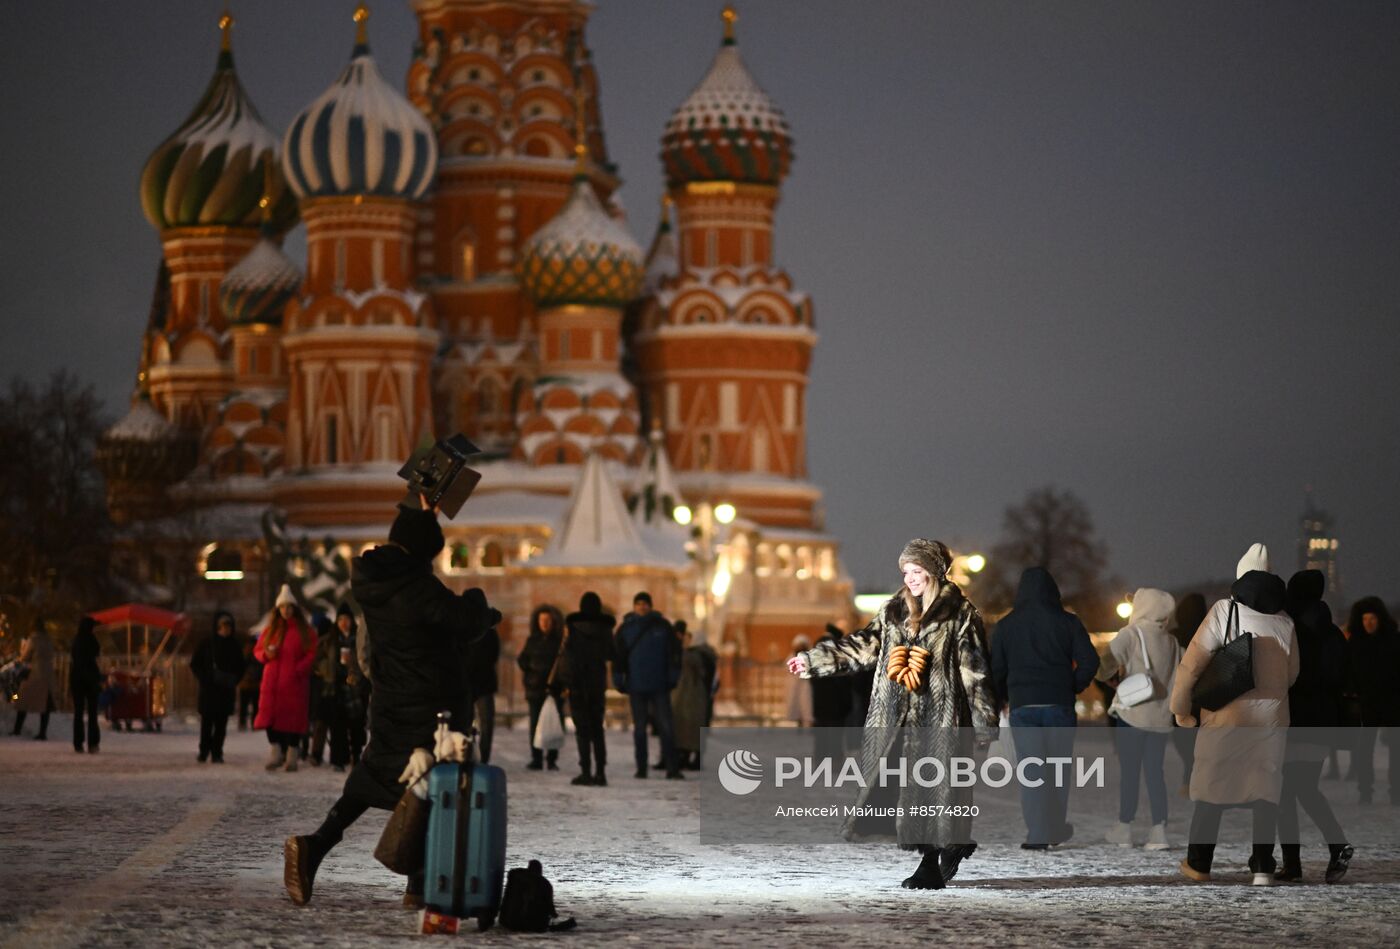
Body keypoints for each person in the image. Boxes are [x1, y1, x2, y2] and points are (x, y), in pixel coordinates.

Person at [283, 496, 499, 906]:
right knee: (435, 785)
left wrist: (425, 515)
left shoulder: (376, 582)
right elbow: (464, 621)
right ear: (423, 554)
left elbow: (429, 619)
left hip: (390, 702)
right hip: (430, 706)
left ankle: (317, 845)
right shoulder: (417, 589)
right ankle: (418, 884)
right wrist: (478, 603)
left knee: (374, 778)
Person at [790, 539, 999, 890]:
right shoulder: (893, 611)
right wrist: (812, 660)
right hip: (894, 717)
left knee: (936, 785)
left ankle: (930, 861)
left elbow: (974, 670)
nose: (912, 579)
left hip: (939, 718)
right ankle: (950, 844)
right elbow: (861, 646)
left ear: (934, 572)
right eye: (906, 572)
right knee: (897, 784)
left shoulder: (960, 615)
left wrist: (983, 723)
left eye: (917, 572)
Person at [1171, 543, 1299, 885]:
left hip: (1228, 715)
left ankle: (1199, 862)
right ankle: (1262, 866)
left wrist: (1181, 710)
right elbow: (1292, 673)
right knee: (1265, 790)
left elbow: (1191, 666)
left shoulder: (1223, 611)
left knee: (1213, 785)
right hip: (1271, 720)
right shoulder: (1285, 620)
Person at [989, 567, 1099, 850]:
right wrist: (1071, 686)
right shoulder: (1068, 623)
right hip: (1059, 705)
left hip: (1023, 707)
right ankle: (1054, 828)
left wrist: (1002, 699)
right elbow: (1090, 662)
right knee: (1058, 771)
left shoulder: (1006, 626)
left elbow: (996, 670)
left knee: (1032, 772)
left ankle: (1037, 833)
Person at [1272, 570, 1352, 883]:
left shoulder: (1289, 627)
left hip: (1294, 718)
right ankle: (1335, 845)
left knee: (1285, 793)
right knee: (1305, 788)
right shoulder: (1332, 632)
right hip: (1322, 722)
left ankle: (1294, 863)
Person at [1097, 588, 1180, 850]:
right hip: (1159, 719)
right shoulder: (1172, 642)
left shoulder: (1130, 634)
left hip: (1131, 715)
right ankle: (1159, 830)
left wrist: (1111, 679)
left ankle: (1124, 827)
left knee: (1130, 773)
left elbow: (1104, 666)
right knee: (1156, 773)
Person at [614, 592, 683, 780]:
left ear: (650, 606)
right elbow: (618, 657)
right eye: (639, 604)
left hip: (660, 684)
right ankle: (641, 768)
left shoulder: (663, 626)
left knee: (666, 727)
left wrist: (672, 677)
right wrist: (618, 678)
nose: (642, 607)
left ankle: (672, 767)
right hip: (637, 685)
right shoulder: (626, 628)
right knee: (640, 729)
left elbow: (674, 654)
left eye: (645, 603)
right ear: (634, 606)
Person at [254, 585, 317, 772]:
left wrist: (299, 669)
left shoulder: (304, 631)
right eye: (282, 607)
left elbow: (312, 653)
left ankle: (292, 755)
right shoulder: (271, 630)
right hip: (272, 683)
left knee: (293, 719)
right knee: (270, 719)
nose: (285, 611)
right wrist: (266, 654)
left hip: (294, 683)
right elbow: (258, 650)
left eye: (289, 607)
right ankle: (276, 752)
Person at [1347, 596, 1400, 805]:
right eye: (1365, 619)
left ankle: (1393, 789)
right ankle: (1366, 789)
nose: (1369, 623)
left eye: (1372, 619)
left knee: (1392, 748)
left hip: (1388, 700)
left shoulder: (1392, 641)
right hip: (1369, 701)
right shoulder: (1358, 643)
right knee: (1366, 748)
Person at [564, 592, 615, 786]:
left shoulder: (573, 627)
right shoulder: (605, 628)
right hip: (597, 683)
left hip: (577, 682)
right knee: (597, 729)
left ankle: (585, 771)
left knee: (582, 730)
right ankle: (600, 772)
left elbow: (567, 656)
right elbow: (612, 654)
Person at [190, 611, 246, 764]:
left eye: (228, 626)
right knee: (207, 723)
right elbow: (195, 664)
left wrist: (234, 680)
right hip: (209, 690)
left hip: (225, 690)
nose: (225, 629)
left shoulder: (234, 645)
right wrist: (204, 678)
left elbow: (241, 666)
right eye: (223, 626)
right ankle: (204, 751)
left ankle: (217, 752)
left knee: (221, 724)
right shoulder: (207, 643)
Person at [518, 604, 568, 771]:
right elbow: (522, 660)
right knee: (535, 724)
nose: (544, 624)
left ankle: (552, 759)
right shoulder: (532, 640)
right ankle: (536, 757)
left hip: (554, 689)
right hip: (535, 688)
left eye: (547, 620)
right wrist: (531, 674)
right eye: (542, 620)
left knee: (554, 723)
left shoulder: (559, 642)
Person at [323, 604, 370, 773]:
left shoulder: (359, 639)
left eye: (347, 619)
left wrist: (357, 674)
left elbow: (365, 658)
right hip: (336, 688)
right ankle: (338, 759)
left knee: (357, 725)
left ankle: (356, 756)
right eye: (341, 619)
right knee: (338, 727)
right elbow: (319, 660)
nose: (344, 623)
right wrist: (329, 671)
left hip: (355, 689)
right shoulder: (331, 640)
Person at [1170, 593, 1208, 793]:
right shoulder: (1209, 633)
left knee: (1183, 740)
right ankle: (1195, 776)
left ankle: (1189, 776)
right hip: (1204, 698)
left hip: (1180, 695)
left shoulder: (1174, 637)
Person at [672, 624, 712, 772]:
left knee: (689, 727)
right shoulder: (707, 654)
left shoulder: (692, 656)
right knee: (695, 727)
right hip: (697, 696)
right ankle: (692, 757)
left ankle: (689, 756)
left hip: (691, 695)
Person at [810, 623, 852, 761]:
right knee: (835, 735)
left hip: (820, 699)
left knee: (821, 734)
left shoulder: (816, 649)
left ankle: (820, 759)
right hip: (836, 700)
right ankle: (835, 761)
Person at [12, 618, 55, 740]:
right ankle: (43, 732)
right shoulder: (48, 640)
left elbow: (25, 656)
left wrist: (20, 659)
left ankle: (17, 729)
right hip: (48, 674)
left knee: (22, 700)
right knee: (45, 704)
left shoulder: (33, 639)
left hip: (34, 673)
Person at [465, 624, 499, 764]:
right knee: (479, 722)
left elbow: (494, 654)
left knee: (485, 723)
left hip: (480, 682)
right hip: (470, 682)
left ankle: (480, 758)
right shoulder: (488, 632)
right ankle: (470, 756)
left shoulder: (488, 632)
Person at [69, 616, 102, 754]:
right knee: (92, 713)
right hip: (91, 679)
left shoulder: (76, 640)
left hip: (77, 678)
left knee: (78, 712)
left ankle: (78, 743)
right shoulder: (92, 639)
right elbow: (96, 652)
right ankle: (93, 743)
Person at [785, 635, 814, 726]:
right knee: (795, 709)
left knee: (807, 707)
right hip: (794, 687)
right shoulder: (790, 658)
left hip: (807, 687)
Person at [237, 631, 262, 731]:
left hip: (246, 684)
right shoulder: (255, 653)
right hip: (252, 684)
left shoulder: (245, 653)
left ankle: (243, 723)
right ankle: (253, 724)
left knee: (245, 706)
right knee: (254, 706)